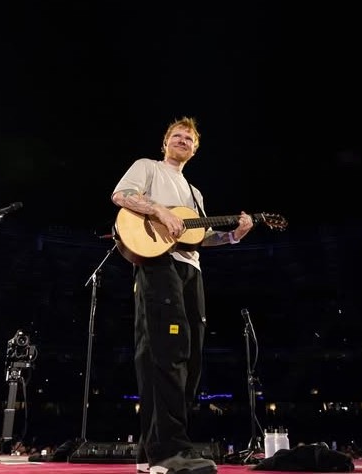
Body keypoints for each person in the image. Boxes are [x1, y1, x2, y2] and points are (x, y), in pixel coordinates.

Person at [111, 116, 253, 474]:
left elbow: (198, 236)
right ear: (165, 142)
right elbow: (121, 195)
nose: (183, 141)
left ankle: (151, 451)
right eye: (177, 136)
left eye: (189, 139)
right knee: (167, 352)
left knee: (189, 356)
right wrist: (158, 209)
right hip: (158, 264)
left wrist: (233, 235)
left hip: (191, 271)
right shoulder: (148, 167)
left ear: (195, 149)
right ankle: (170, 451)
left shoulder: (195, 193)